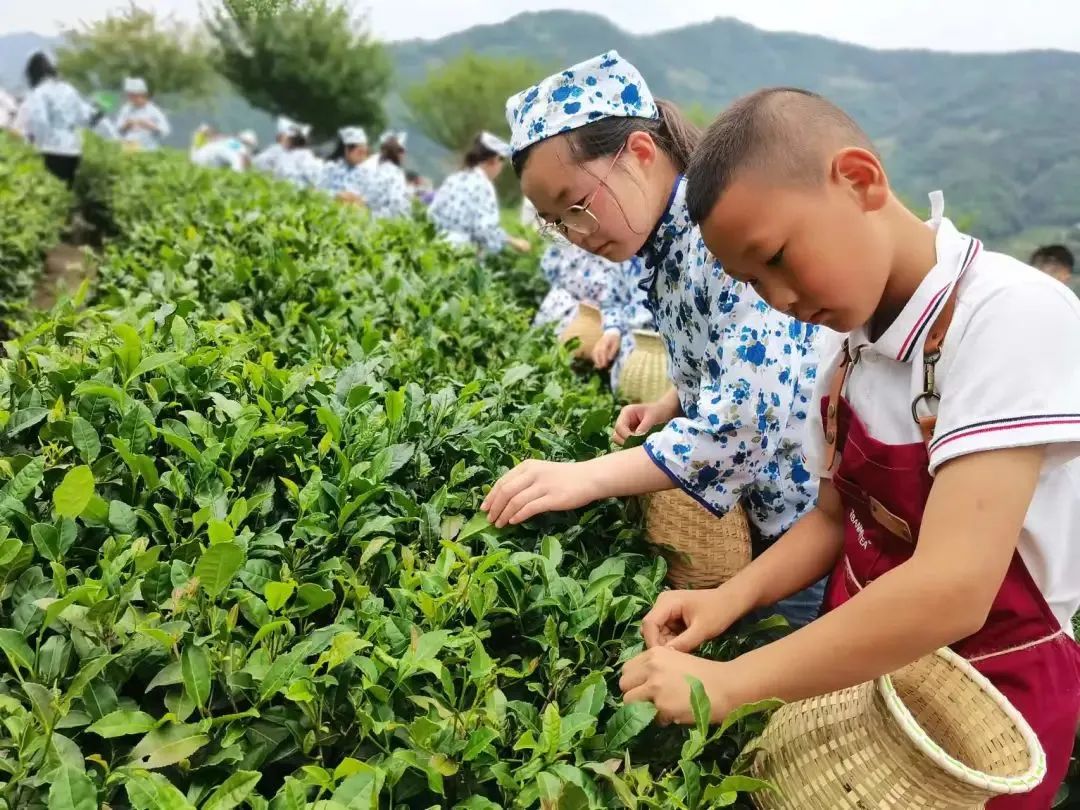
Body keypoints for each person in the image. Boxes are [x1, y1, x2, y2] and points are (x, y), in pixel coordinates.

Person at [620, 87, 1080, 808]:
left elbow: (954, 589)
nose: (778, 299)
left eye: (777, 257)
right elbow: (836, 519)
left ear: (859, 180)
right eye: (753, 282)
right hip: (854, 684)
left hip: (977, 719)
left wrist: (729, 685)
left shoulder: (1008, 317)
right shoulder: (846, 348)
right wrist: (726, 600)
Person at [482, 51, 823, 628]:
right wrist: (672, 401)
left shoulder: (720, 235)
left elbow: (741, 425)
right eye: (555, 222)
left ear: (639, 153)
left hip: (805, 530)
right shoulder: (668, 242)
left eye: (577, 207)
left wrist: (586, 476)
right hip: (766, 519)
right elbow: (728, 354)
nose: (575, 234)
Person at [427, 131, 530, 254]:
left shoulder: (454, 179)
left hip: (437, 248)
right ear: (494, 160)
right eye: (501, 161)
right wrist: (513, 241)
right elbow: (485, 230)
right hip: (463, 253)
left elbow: (432, 213)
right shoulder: (483, 186)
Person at [16, 51, 94, 186]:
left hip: (51, 150)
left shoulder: (40, 92)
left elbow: (40, 121)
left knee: (50, 188)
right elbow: (82, 117)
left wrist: (35, 143)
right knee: (67, 188)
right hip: (73, 149)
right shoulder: (68, 89)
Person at [593, 255, 656, 389]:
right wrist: (612, 331)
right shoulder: (622, 257)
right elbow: (612, 301)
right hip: (634, 339)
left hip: (672, 345)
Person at [319, 126, 374, 204]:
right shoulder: (331, 168)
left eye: (365, 153)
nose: (363, 157)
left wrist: (357, 199)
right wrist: (337, 196)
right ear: (347, 150)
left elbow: (372, 196)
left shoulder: (367, 172)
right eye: (360, 152)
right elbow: (319, 191)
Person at [364, 131, 412, 220]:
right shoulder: (396, 173)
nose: (404, 155)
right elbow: (398, 203)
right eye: (402, 151)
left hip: (366, 216)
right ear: (397, 152)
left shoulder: (376, 168)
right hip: (384, 221)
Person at [115, 77, 170, 151]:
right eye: (130, 96)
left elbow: (165, 131)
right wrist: (127, 125)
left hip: (147, 149)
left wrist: (150, 126)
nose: (132, 99)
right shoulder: (126, 109)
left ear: (143, 95)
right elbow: (118, 130)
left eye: (135, 96)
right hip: (129, 148)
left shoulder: (153, 110)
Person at [272, 122, 324, 190]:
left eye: (287, 138)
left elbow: (311, 177)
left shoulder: (304, 155)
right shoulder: (281, 153)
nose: (284, 140)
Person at [191, 130, 257, 172]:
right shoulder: (239, 148)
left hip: (196, 158)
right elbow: (238, 167)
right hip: (206, 165)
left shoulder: (228, 140)